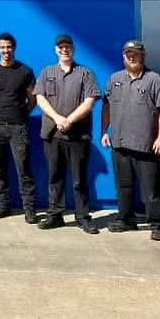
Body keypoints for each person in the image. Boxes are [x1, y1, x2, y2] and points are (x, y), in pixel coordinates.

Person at [101, 40, 160, 240]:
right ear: (123, 56)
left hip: (146, 144)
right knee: (123, 185)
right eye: (128, 54)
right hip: (120, 142)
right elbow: (107, 106)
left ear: (143, 56)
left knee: (151, 188)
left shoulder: (155, 80)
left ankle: (157, 224)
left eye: (135, 53)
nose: (131, 57)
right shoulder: (114, 79)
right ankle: (126, 219)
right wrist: (104, 131)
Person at [34, 34, 101, 234]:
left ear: (73, 49)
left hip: (78, 136)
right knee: (55, 177)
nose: (64, 50)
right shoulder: (46, 72)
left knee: (79, 178)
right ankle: (55, 215)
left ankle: (83, 217)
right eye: (61, 47)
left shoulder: (85, 73)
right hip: (52, 134)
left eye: (68, 46)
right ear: (56, 49)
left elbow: (89, 102)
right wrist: (57, 118)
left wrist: (69, 120)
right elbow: (39, 98)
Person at [0, 33, 37, 223]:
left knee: (24, 169)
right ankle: (2, 206)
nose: (6, 50)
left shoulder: (25, 71)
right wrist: (1, 110)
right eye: (2, 47)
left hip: (18, 127)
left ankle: (29, 209)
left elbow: (33, 98)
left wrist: (21, 114)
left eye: (9, 47)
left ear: (14, 48)